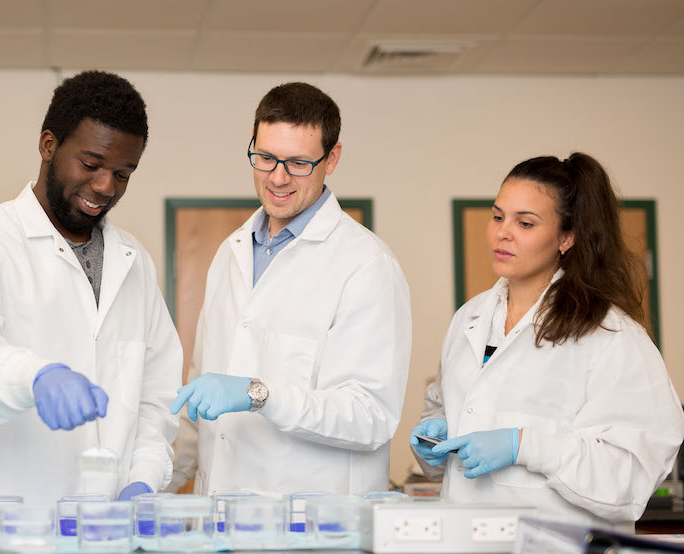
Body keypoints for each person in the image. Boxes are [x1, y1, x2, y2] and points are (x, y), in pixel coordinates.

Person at [0, 71, 182, 507]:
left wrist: (144, 478)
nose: (105, 187)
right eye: (91, 164)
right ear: (48, 145)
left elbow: (157, 396)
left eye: (123, 173)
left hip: (106, 530)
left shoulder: (135, 263)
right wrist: (34, 377)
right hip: (2, 531)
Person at [410, 153, 684, 530]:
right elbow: (446, 407)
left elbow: (630, 475)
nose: (502, 233)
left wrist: (524, 446)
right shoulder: (469, 320)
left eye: (525, 222)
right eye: (497, 216)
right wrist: (435, 438)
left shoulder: (609, 336)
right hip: (467, 548)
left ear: (567, 237)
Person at [169, 82, 412, 496]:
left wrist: (259, 395)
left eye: (298, 163)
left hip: (311, 526)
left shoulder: (368, 266)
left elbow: (371, 415)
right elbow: (199, 395)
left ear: (331, 158)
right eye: (265, 158)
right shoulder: (232, 253)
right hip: (220, 516)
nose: (277, 178)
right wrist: (157, 484)